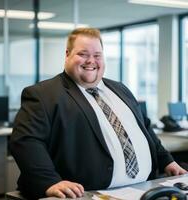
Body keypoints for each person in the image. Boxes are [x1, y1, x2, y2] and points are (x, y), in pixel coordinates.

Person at [10, 27, 187, 199]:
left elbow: (144, 128)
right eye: (83, 54)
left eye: (97, 55)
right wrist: (49, 182)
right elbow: (26, 141)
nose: (91, 61)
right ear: (67, 55)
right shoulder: (44, 94)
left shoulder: (120, 89)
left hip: (143, 190)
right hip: (87, 195)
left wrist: (166, 161)